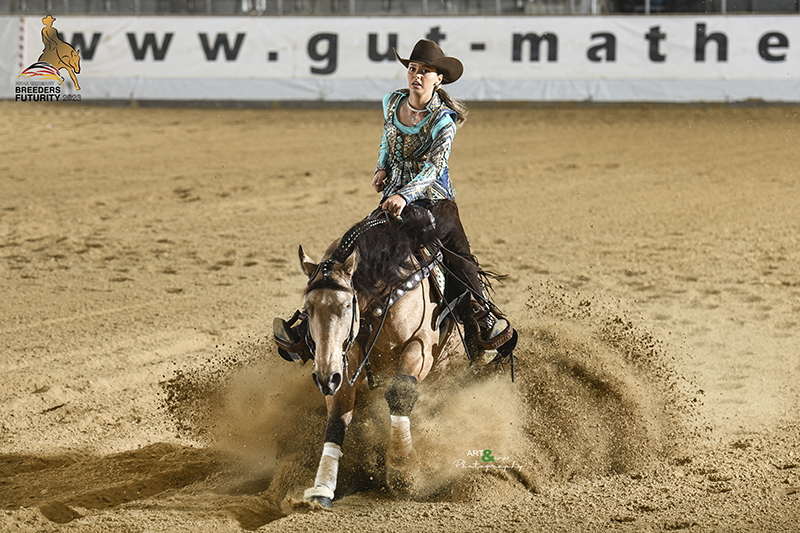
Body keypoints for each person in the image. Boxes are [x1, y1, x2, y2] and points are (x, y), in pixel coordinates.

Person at [274, 39, 515, 363]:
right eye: (412, 69)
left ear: (438, 79)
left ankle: (483, 319)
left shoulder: (443, 119)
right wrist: (382, 167)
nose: (416, 76)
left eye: (424, 71)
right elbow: (387, 140)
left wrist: (404, 194)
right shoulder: (392, 102)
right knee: (352, 241)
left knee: (460, 259)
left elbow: (435, 167)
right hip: (394, 201)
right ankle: (307, 324)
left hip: (435, 202)